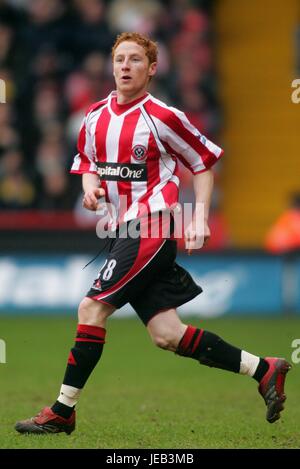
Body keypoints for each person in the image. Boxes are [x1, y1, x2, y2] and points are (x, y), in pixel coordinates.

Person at [15, 32, 291, 435]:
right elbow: (87, 161)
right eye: (120, 59)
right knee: (168, 334)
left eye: (135, 60)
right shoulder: (94, 117)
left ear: (152, 68)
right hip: (122, 229)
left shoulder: (162, 116)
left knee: (91, 310)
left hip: (153, 227)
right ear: (111, 66)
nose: (125, 66)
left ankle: (62, 410)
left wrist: (198, 219)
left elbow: (202, 163)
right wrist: (89, 187)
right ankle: (263, 368)